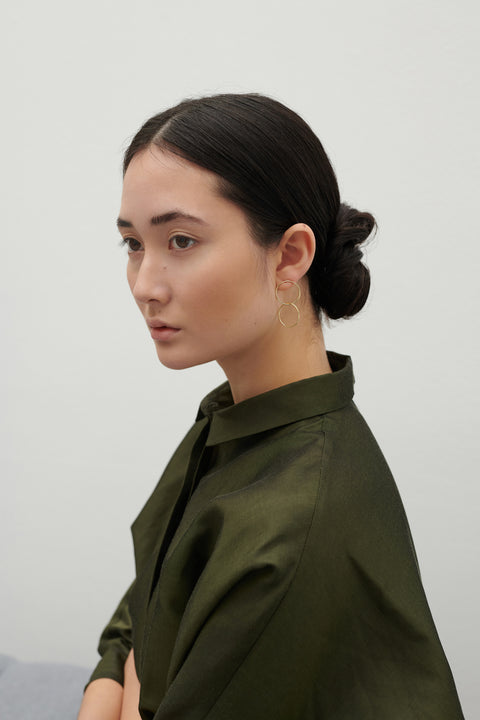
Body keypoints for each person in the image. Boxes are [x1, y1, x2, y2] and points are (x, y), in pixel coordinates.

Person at [77, 93, 464, 720]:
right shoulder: (242, 418)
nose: (145, 285)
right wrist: (105, 689)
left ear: (289, 256)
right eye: (133, 244)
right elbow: (148, 604)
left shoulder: (293, 520)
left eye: (181, 240)